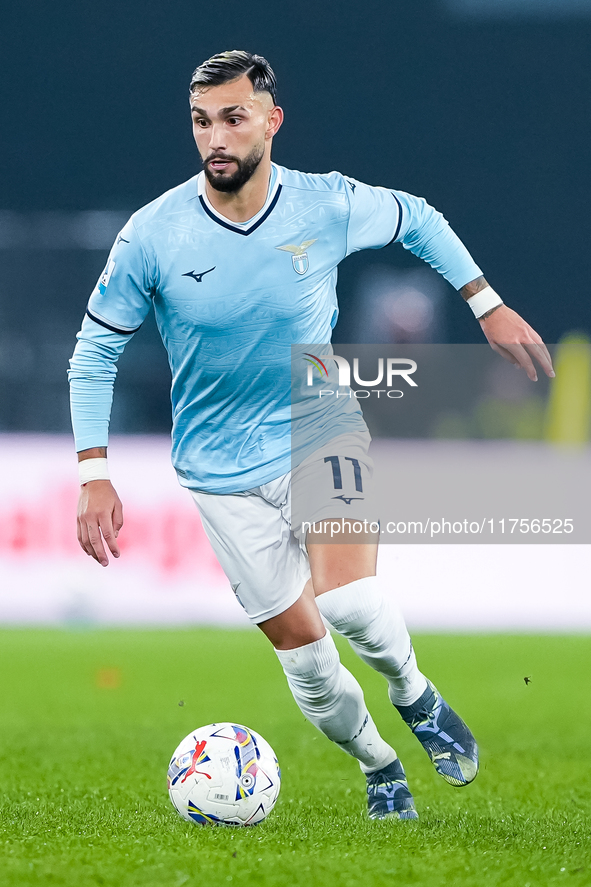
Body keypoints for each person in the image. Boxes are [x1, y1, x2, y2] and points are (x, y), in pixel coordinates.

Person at [69, 50, 554, 821]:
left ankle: (414, 695)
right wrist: (94, 469)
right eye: (201, 122)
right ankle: (379, 762)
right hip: (217, 468)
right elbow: (95, 349)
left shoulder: (324, 205)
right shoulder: (152, 235)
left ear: (271, 119)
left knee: (354, 601)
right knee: (313, 669)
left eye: (233, 117)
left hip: (318, 419)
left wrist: (484, 302)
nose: (215, 138)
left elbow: (419, 219)